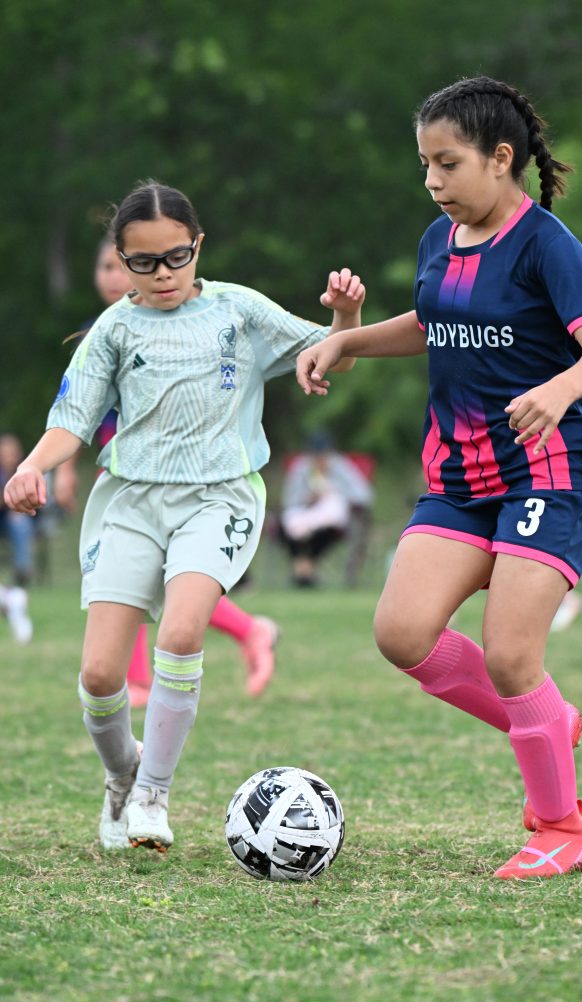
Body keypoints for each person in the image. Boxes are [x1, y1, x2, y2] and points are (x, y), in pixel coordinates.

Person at [296, 77, 582, 879]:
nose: (432, 181)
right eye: (424, 165)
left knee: (511, 656)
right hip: (459, 478)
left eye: (447, 164)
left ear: (499, 158)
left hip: (547, 472)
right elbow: (432, 322)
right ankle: (547, 720)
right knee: (401, 633)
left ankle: (562, 828)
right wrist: (346, 338)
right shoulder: (437, 240)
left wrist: (557, 390)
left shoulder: (545, 244)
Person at [4, 180, 365, 852]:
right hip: (131, 501)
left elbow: (330, 354)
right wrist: (31, 466)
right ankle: (122, 774)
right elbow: (71, 421)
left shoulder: (237, 310)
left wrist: (346, 317)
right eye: (143, 262)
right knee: (100, 676)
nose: (163, 274)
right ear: (122, 259)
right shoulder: (114, 329)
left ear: (198, 246)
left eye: (176, 257)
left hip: (219, 498)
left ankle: (152, 794)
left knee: (180, 631)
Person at [53, 235, 282, 706]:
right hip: (124, 475)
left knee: (164, 580)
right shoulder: (103, 331)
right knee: (131, 578)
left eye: (118, 267)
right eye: (106, 267)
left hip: (183, 478)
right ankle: (242, 632)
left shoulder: (195, 323)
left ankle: (163, 670)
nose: (112, 277)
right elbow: (78, 412)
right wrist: (62, 469)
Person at [279, 430, 374, 586]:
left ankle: (303, 570)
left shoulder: (340, 467)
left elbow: (364, 495)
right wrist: (308, 498)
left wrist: (333, 492)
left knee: (324, 528)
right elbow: (289, 500)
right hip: (303, 515)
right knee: (290, 526)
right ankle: (305, 571)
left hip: (333, 522)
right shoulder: (302, 467)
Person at [0, 433, 34, 643]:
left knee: (19, 523)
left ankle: (21, 575)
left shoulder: (28, 470)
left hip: (20, 521)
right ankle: (11, 598)